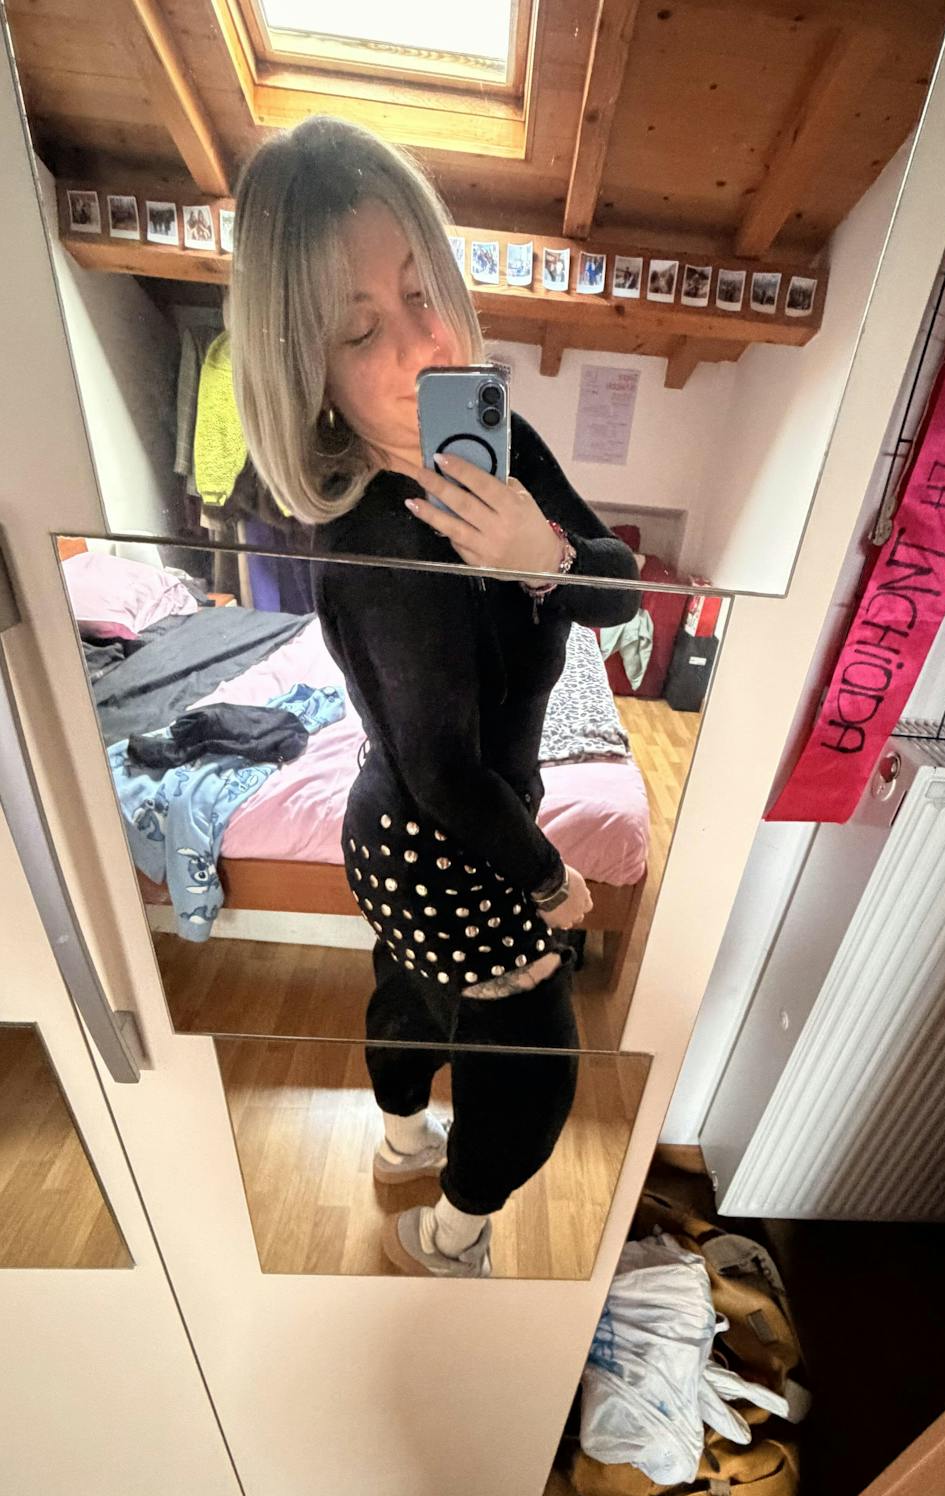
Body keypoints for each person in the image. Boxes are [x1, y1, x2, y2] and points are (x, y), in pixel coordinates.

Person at [230, 116, 639, 1277]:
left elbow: (619, 591)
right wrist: (552, 881)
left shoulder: (492, 439)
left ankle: (405, 1141)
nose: (423, 346)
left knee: (410, 991)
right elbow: (445, 771)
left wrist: (540, 553)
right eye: (360, 328)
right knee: (537, 1071)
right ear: (305, 371)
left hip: (432, 813)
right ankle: (450, 1234)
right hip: (435, 835)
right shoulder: (377, 540)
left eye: (423, 292)